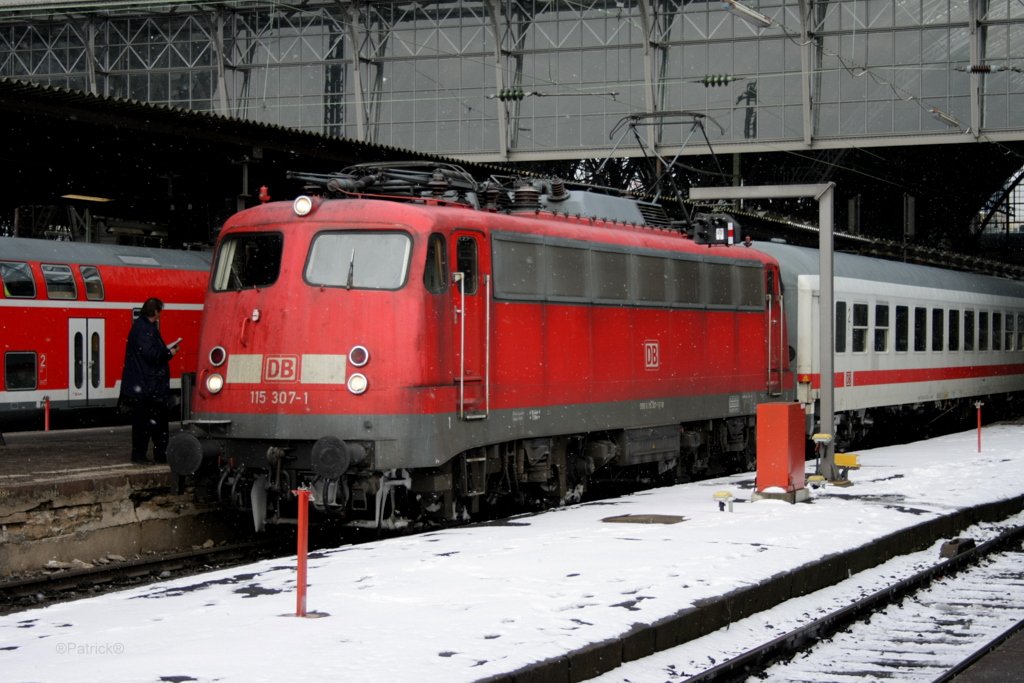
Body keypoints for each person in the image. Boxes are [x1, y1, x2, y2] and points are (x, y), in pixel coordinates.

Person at [120, 297, 178, 464]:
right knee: (154, 424)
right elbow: (151, 355)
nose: (160, 315)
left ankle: (147, 454)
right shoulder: (144, 330)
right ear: (154, 312)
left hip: (146, 386)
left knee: (145, 424)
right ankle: (153, 455)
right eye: (159, 311)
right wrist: (169, 353)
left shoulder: (143, 327)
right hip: (149, 387)